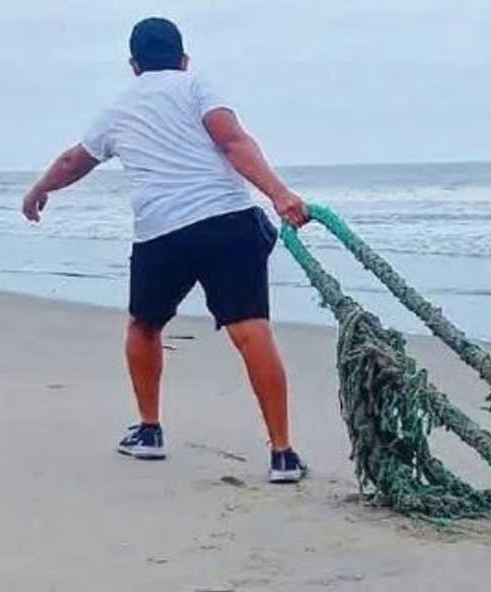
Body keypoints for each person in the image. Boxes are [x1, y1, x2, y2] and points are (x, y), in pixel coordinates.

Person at [21, 17, 309, 483]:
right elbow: (232, 141)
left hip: (162, 234)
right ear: (184, 58)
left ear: (134, 65)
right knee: (251, 331)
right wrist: (278, 193)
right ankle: (282, 455)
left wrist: (38, 190)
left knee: (144, 325)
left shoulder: (118, 108)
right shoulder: (197, 85)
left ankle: (150, 431)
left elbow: (76, 160)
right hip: (226, 224)